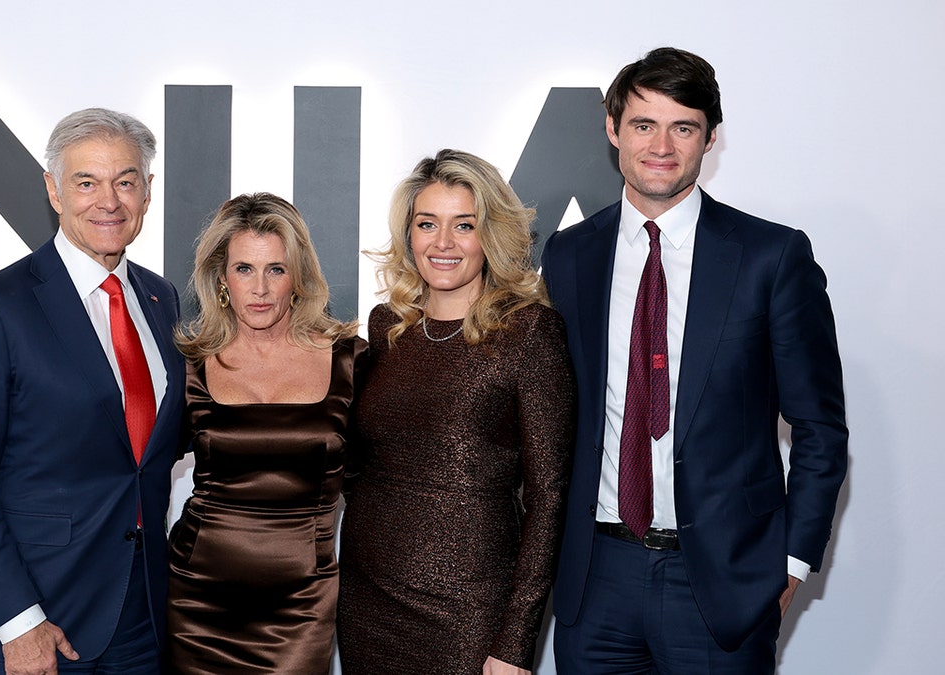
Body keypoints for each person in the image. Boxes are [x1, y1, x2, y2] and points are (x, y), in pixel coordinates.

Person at [541, 47, 849, 673]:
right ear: (611, 129)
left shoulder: (771, 257)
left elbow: (820, 428)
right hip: (596, 577)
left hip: (720, 581)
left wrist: (789, 567)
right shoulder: (570, 254)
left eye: (683, 126)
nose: (661, 145)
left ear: (709, 138)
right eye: (643, 124)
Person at [0, 108, 184, 674]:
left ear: (148, 192)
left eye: (125, 181)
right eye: (86, 182)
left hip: (143, 618)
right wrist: (18, 623)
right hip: (39, 621)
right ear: (53, 190)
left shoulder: (160, 299)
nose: (109, 201)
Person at [337, 149, 576, 675]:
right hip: (367, 597)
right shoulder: (387, 327)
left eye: (463, 225)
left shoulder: (529, 332)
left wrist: (515, 641)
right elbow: (360, 469)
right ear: (409, 234)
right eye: (427, 224)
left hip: (469, 611)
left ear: (489, 235)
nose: (442, 243)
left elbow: (548, 498)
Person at [166, 192, 365, 674]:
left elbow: (382, 482)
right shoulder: (190, 364)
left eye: (275, 269)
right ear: (221, 278)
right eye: (244, 269)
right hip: (197, 600)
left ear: (297, 277)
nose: (259, 288)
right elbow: (131, 473)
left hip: (301, 603)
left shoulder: (350, 360)